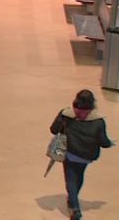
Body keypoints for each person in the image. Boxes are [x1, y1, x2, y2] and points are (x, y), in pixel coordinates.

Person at [50, 90, 112, 219]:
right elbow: (104, 142)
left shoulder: (66, 114)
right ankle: (73, 200)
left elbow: (53, 129)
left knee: (70, 179)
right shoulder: (98, 122)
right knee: (79, 176)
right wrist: (110, 143)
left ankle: (75, 208)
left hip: (70, 153)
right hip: (86, 157)